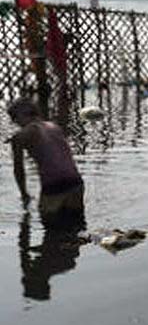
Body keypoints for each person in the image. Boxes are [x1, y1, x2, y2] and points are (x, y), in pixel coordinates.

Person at [8, 98, 85, 230]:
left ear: (20, 116)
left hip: (53, 186)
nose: (15, 123)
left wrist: (24, 194)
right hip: (76, 183)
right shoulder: (54, 126)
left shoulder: (20, 136)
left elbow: (19, 170)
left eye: (15, 118)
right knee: (76, 229)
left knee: (51, 231)